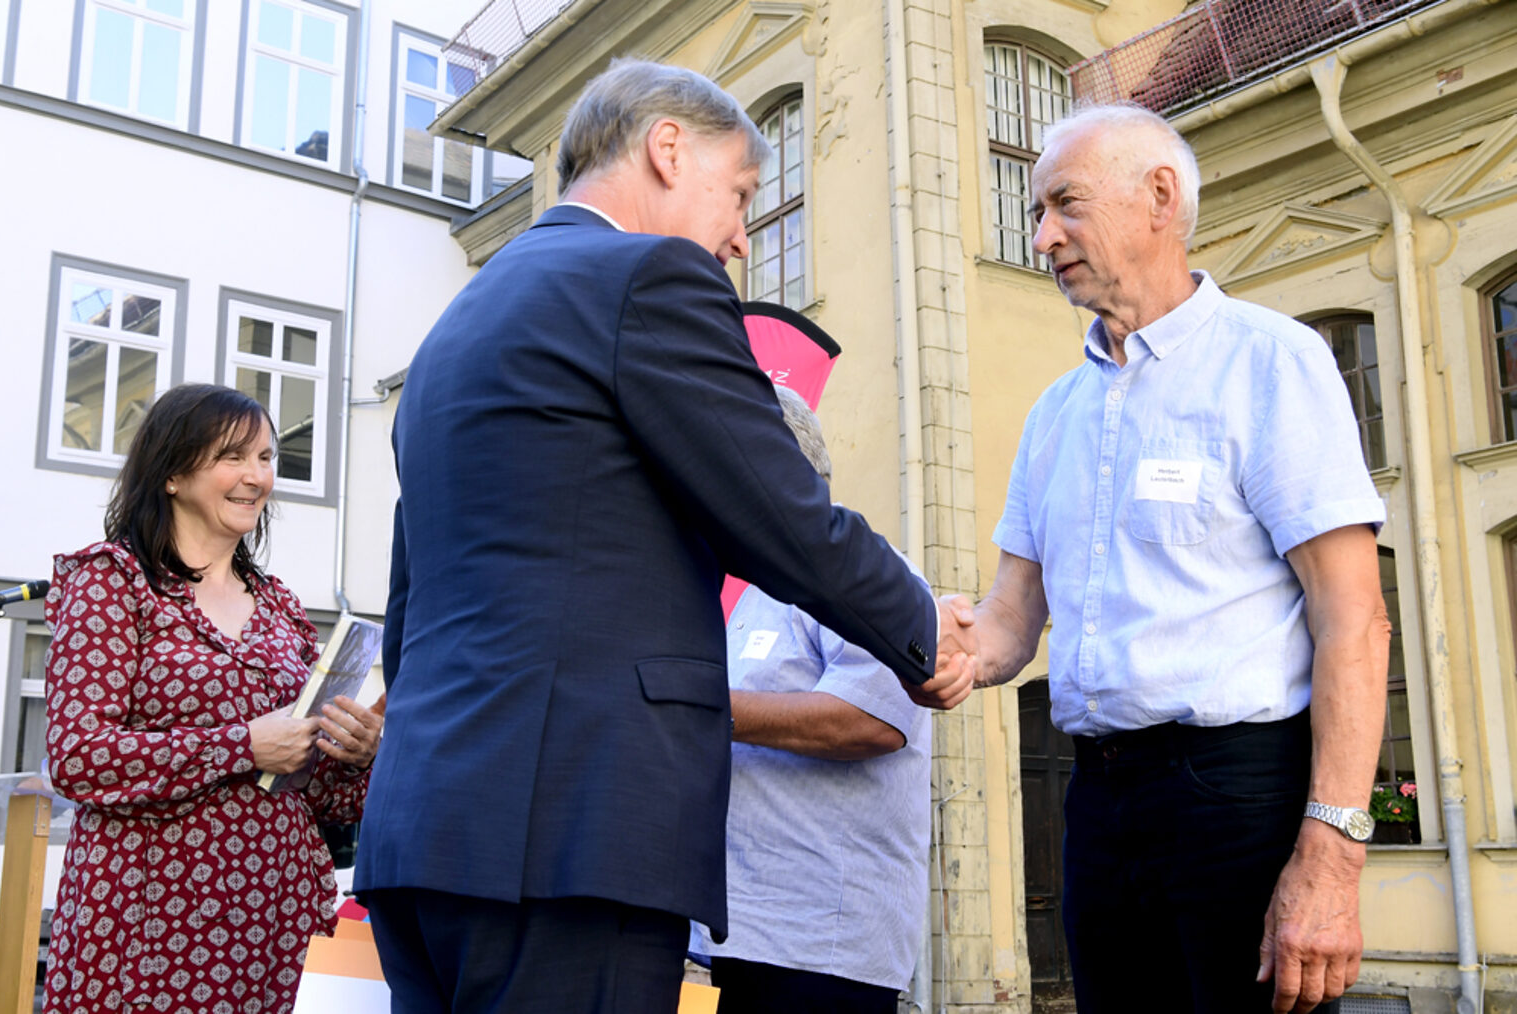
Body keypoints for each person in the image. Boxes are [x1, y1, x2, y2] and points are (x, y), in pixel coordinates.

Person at [355, 58, 976, 1014]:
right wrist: (925, 632)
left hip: (425, 833)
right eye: (741, 194)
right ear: (667, 148)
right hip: (567, 840)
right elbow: (779, 511)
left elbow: (411, 599)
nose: (740, 236)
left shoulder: (457, 330)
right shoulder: (645, 276)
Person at [969, 103, 1390, 1014]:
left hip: (1239, 798)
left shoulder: (1272, 365)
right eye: (1038, 212)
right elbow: (1005, 623)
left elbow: (1354, 620)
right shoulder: (1054, 415)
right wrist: (882, 622)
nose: (1042, 237)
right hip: (1097, 803)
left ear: (1159, 197)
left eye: (1065, 204)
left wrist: (1332, 856)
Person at [42, 383, 385, 1014]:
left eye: (266, 457)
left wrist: (355, 756)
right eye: (233, 456)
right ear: (172, 474)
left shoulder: (280, 606)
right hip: (146, 916)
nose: (257, 476)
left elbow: (319, 794)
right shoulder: (114, 582)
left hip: (272, 917)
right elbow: (77, 757)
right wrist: (241, 745)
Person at [691, 386, 931, 1013]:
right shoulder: (754, 593)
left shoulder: (869, 571)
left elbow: (873, 720)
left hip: (825, 943)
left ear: (777, 468)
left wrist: (703, 707)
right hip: (746, 931)